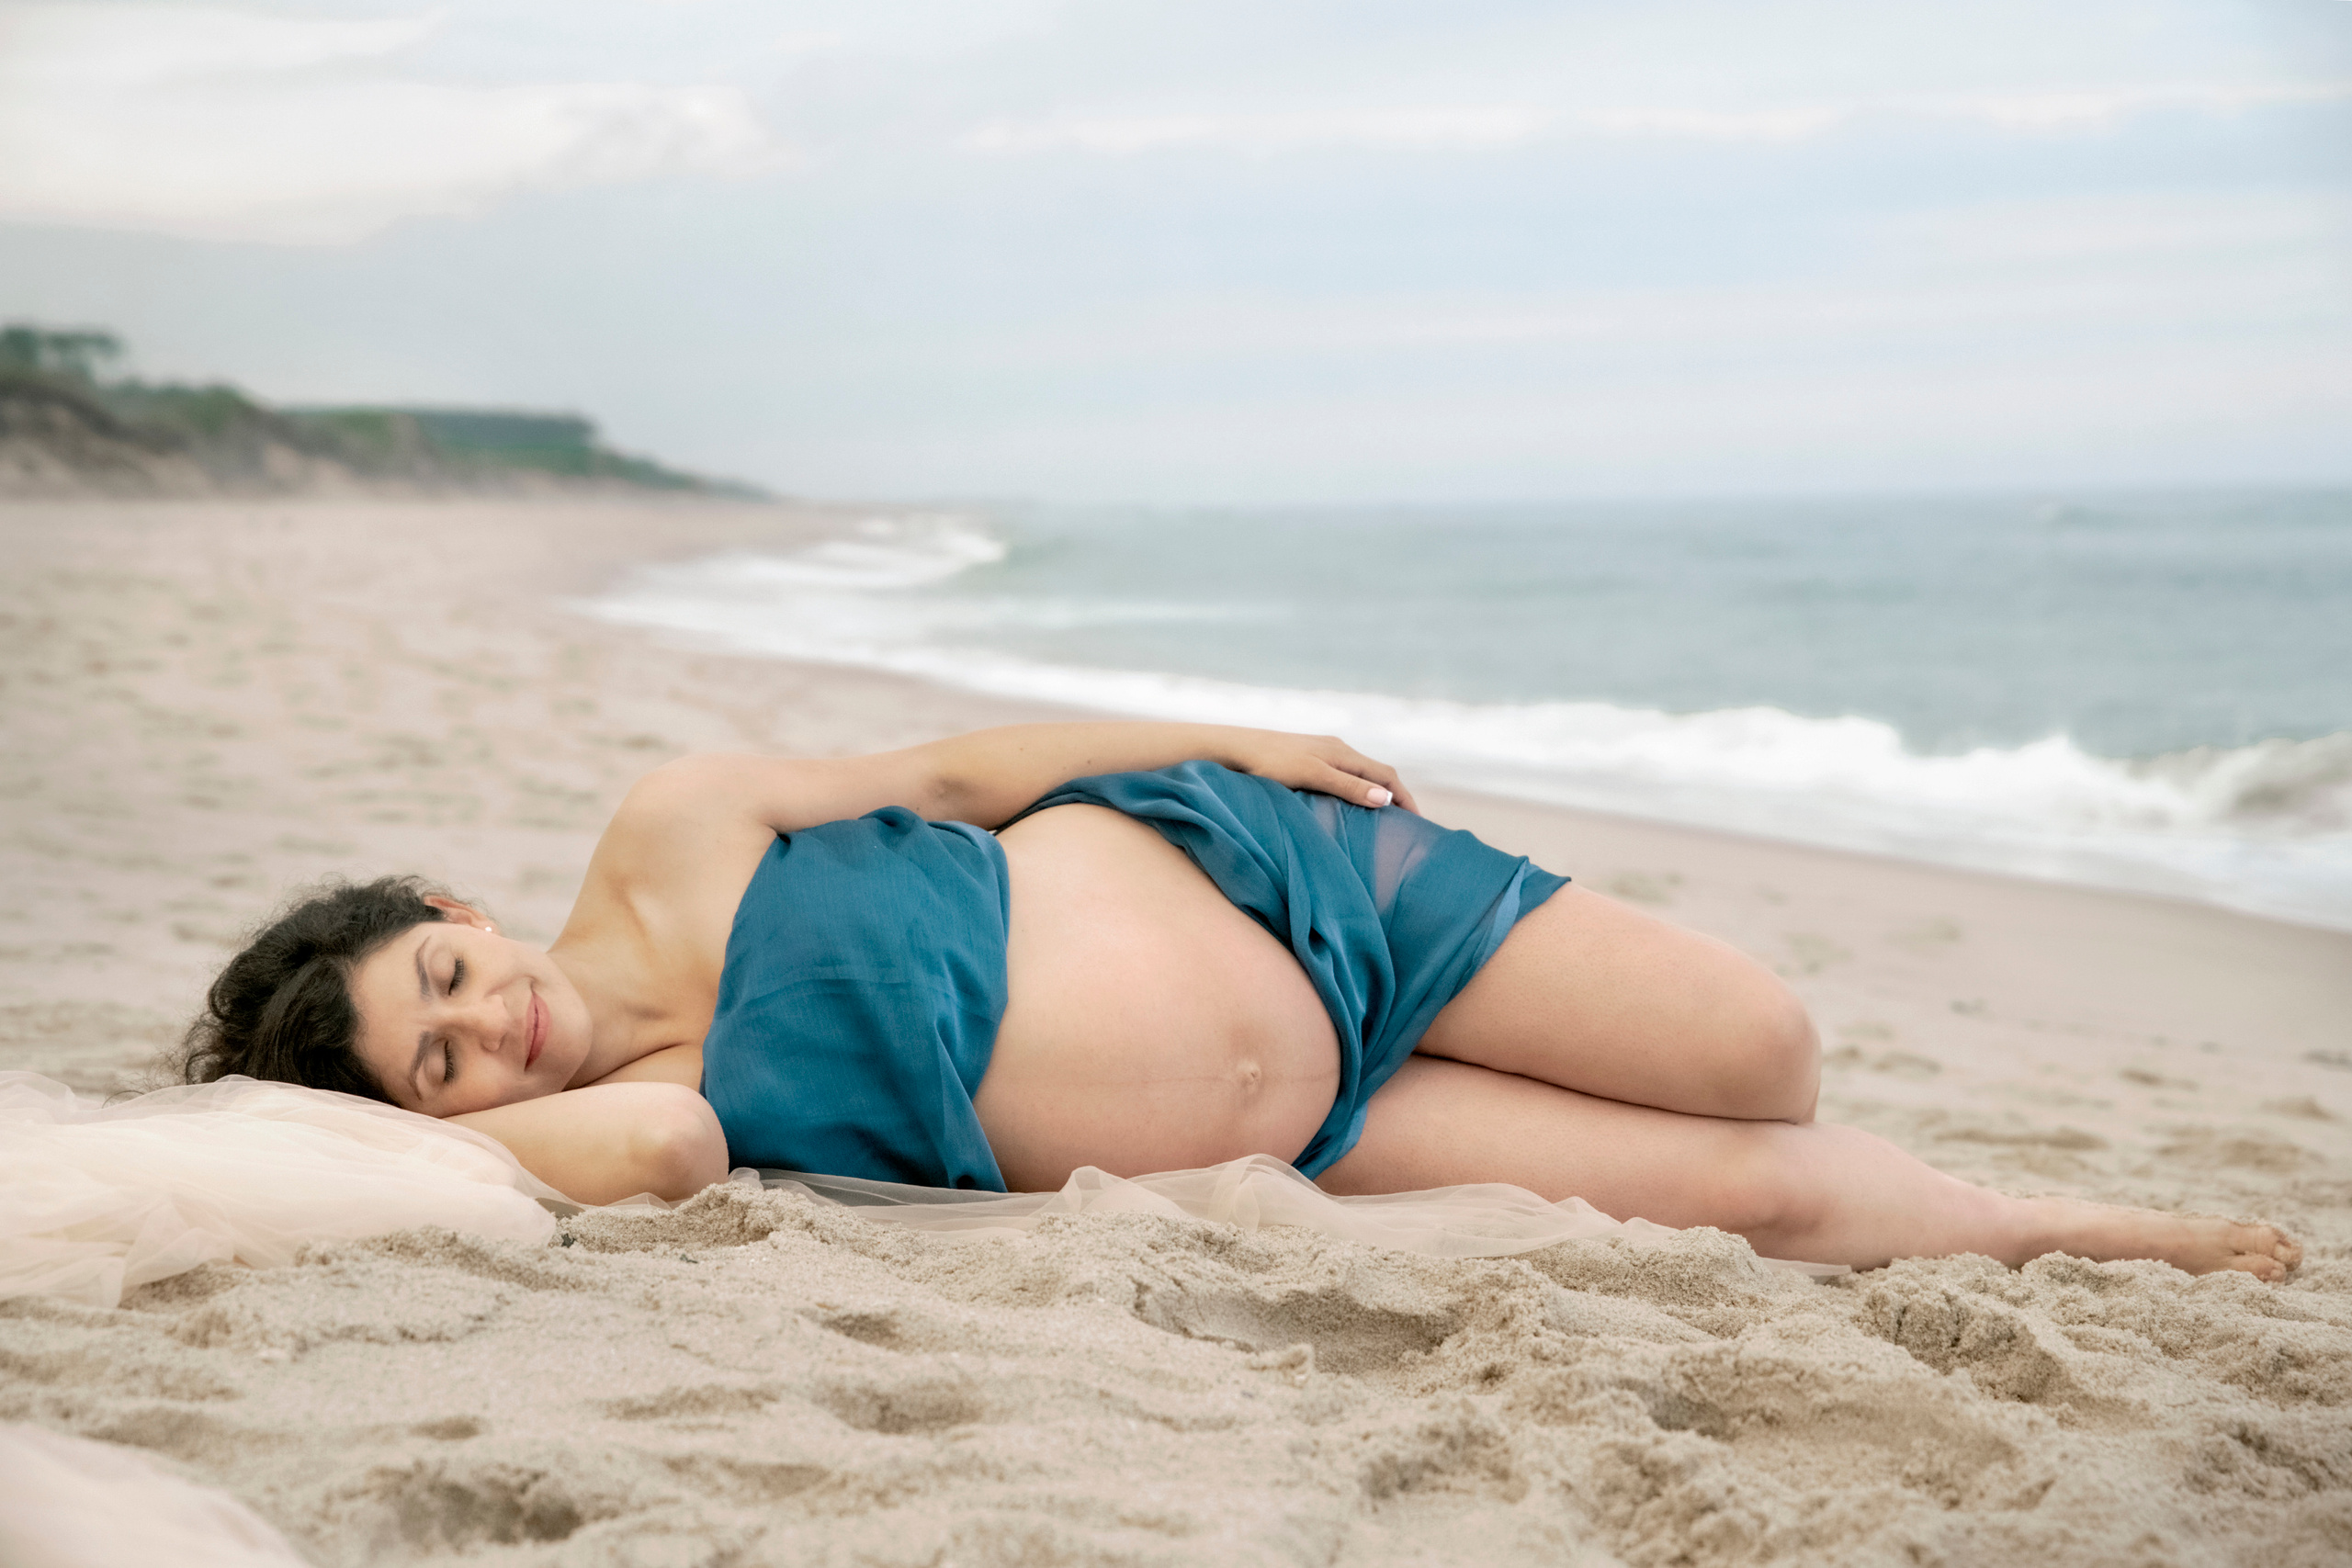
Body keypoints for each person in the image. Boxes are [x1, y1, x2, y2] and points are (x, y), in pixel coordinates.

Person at [180, 721, 2299, 1278]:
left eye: (449, 972)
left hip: (1274, 873)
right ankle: (2101, 1229)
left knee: (1759, 1044)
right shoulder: (617, 1140)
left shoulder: (671, 828)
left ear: (458, 904)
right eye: (438, 1062)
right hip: (1308, 1128)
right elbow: (658, 1137)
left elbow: (957, 771)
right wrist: (434, 1133)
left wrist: (1240, 735)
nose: (491, 1026)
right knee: (1739, 1191)